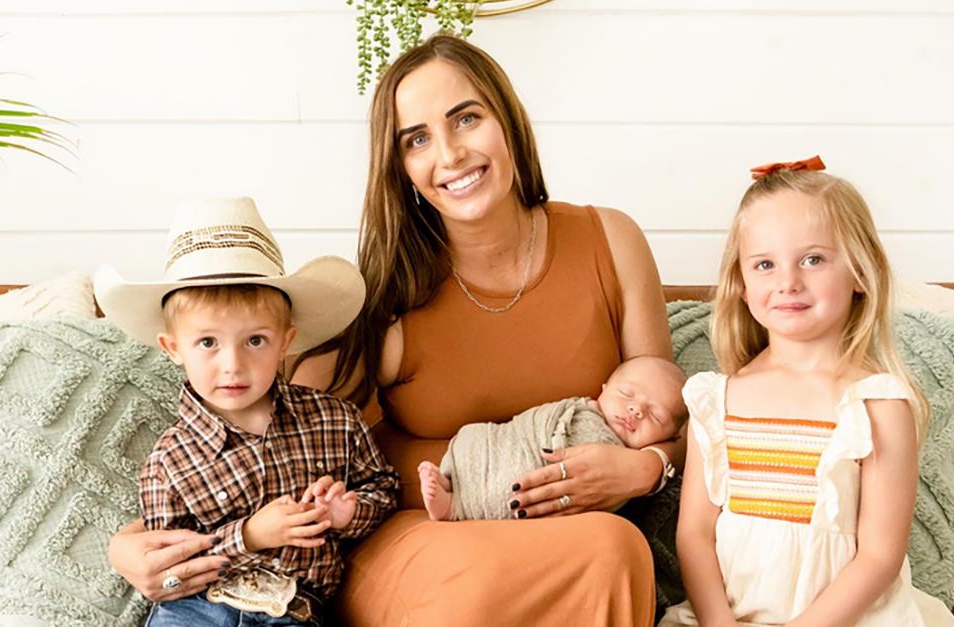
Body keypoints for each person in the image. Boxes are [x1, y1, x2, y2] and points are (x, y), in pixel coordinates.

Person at [290, 34, 683, 625]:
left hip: (581, 540)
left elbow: (673, 416)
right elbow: (283, 433)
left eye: (465, 119)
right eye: (417, 139)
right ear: (400, 168)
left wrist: (645, 467)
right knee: (546, 565)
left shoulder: (611, 242)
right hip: (426, 539)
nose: (448, 155)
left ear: (506, 120)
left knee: (612, 546)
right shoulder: (388, 296)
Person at [660, 158, 954, 627]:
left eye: (813, 259)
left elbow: (880, 556)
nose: (788, 282)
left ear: (860, 272)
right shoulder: (717, 400)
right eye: (764, 264)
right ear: (740, 283)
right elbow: (695, 535)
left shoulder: (877, 403)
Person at [95, 198, 398, 626]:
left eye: (255, 341)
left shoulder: (335, 422)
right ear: (173, 348)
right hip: (197, 609)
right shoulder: (167, 461)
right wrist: (252, 535)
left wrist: (346, 513)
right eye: (208, 343)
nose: (233, 364)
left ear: (285, 341)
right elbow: (172, 569)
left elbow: (384, 489)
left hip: (292, 609)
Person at [419, 355, 688, 521]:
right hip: (507, 437)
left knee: (521, 482)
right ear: (603, 389)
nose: (636, 410)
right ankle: (450, 480)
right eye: (626, 394)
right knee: (473, 437)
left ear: (671, 436)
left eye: (656, 416)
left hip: (539, 477)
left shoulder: (626, 452)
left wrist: (645, 465)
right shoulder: (580, 412)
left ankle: (456, 507)